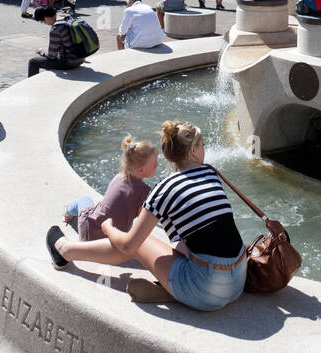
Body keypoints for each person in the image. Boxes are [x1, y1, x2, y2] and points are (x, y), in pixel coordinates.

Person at [46, 120, 246, 311]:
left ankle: (65, 250)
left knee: (137, 240)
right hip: (239, 280)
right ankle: (175, 288)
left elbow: (127, 246)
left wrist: (109, 228)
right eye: (203, 145)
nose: (204, 150)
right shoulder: (211, 174)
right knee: (180, 246)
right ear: (193, 151)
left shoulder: (163, 189)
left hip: (205, 290)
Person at [63, 136, 158, 240]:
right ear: (140, 170)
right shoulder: (144, 193)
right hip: (109, 242)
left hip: (88, 229)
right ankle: (68, 210)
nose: (157, 165)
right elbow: (142, 224)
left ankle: (68, 212)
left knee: (85, 201)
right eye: (154, 164)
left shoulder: (119, 177)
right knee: (86, 200)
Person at [28, 5, 93, 76]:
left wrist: (41, 52)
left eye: (42, 21)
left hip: (68, 63)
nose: (44, 23)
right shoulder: (68, 18)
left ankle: (30, 86)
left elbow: (52, 56)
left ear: (46, 18)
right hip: (81, 58)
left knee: (33, 62)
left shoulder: (56, 29)